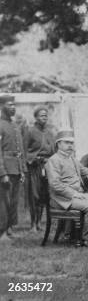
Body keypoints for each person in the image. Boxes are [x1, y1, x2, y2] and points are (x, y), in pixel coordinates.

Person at [23, 105, 56, 231]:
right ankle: (32, 224)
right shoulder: (30, 131)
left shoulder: (50, 132)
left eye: (46, 115)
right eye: (42, 115)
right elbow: (24, 150)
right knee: (34, 195)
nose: (44, 117)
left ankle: (39, 223)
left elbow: (54, 150)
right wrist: (32, 160)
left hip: (47, 167)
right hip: (34, 167)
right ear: (36, 117)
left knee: (43, 195)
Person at [0, 95, 25, 242]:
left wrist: (22, 170)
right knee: (3, 201)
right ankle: (2, 232)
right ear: (2, 106)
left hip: (15, 169)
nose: (13, 107)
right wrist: (2, 173)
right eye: (10, 104)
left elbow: (19, 150)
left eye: (14, 104)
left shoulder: (15, 126)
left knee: (13, 201)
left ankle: (9, 229)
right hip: (5, 171)